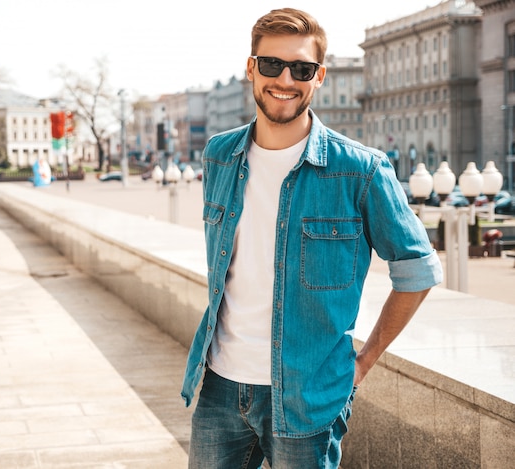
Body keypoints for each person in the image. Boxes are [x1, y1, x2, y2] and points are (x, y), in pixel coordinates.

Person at [181, 7, 443, 469]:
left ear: (318, 76)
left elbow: (417, 270)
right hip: (220, 387)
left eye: (301, 68)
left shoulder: (361, 170)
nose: (285, 78)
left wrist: (363, 363)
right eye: (271, 64)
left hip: (309, 400)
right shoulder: (220, 155)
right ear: (250, 68)